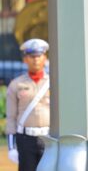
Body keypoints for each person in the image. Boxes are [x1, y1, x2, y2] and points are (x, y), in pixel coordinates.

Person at [6, 38, 50, 171]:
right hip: (25, 139)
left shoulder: (54, 82)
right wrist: (11, 148)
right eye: (32, 56)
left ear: (45, 57)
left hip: (49, 139)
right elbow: (11, 117)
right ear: (25, 59)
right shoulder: (16, 84)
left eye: (39, 56)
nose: (35, 59)